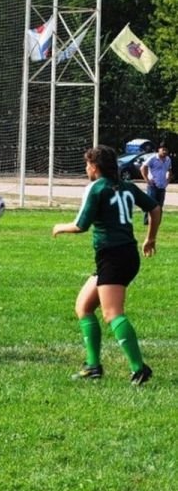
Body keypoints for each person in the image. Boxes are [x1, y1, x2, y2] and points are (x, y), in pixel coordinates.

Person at [52, 145, 161, 386]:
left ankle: (139, 368)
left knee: (112, 313)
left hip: (113, 256)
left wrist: (60, 227)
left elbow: (81, 224)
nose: (86, 168)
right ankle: (93, 367)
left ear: (95, 167)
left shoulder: (96, 188)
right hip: (122, 255)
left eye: (88, 164)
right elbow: (154, 207)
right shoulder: (127, 187)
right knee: (83, 306)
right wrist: (150, 237)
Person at [140, 141, 171, 225]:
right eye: (163, 149)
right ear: (159, 150)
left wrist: (167, 181)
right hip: (152, 186)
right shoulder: (153, 158)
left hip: (162, 186)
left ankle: (157, 222)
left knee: (160, 206)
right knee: (150, 205)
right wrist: (147, 180)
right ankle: (147, 222)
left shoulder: (168, 159)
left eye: (166, 150)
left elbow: (169, 170)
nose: (165, 152)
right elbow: (143, 167)